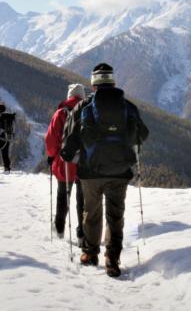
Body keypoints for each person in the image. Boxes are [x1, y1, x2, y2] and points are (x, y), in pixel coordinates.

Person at [61, 63, 149, 278]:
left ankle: (90, 254)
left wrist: (67, 155)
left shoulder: (82, 107)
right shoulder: (127, 106)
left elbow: (70, 139)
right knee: (115, 215)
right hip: (120, 171)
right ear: (113, 82)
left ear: (93, 85)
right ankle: (112, 258)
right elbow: (143, 134)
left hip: (90, 171)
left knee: (91, 213)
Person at [45, 84, 86, 245]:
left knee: (63, 196)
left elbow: (51, 139)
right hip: (84, 162)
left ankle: (59, 229)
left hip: (65, 162)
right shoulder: (88, 111)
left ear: (69, 96)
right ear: (82, 96)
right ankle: (82, 234)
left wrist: (52, 157)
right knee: (82, 199)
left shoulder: (60, 113)